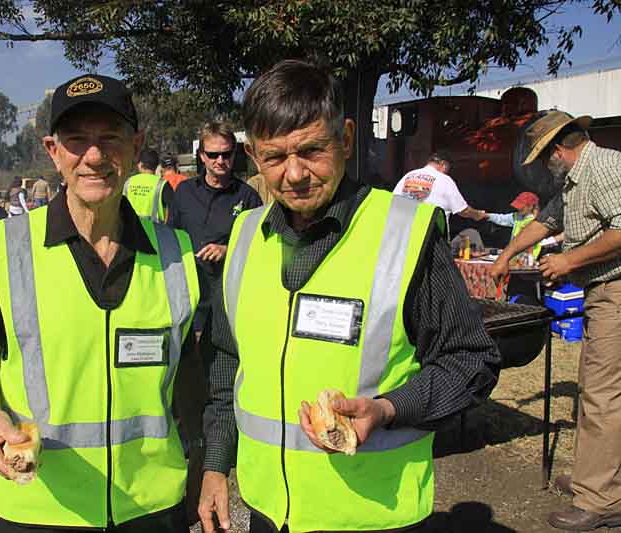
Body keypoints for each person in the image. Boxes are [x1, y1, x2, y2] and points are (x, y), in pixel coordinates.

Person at [198, 60, 500, 533]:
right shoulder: (243, 237)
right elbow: (225, 360)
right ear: (253, 156)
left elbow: (470, 361)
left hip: (372, 515)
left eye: (312, 150)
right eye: (274, 158)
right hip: (268, 513)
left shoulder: (404, 233)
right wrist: (216, 463)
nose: (294, 174)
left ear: (346, 138)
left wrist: (387, 409)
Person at [0, 73, 200, 533]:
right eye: (77, 140)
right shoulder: (9, 249)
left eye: (110, 138)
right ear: (53, 151)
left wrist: (208, 466)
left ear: (137, 145)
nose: (94, 156)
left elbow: (192, 380)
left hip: (152, 507)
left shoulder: (176, 253)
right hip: (39, 507)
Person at [490, 110, 621, 531]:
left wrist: (570, 260)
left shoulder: (605, 167)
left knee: (603, 395)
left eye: (544, 158)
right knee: (596, 390)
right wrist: (507, 255)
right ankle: (594, 478)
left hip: (616, 291)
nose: (545, 167)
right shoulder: (574, 181)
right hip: (601, 292)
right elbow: (546, 221)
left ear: (558, 151)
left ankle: (601, 499)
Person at [168, 121, 262, 335]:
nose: (220, 160)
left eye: (226, 154)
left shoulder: (248, 197)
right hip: (187, 303)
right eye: (212, 155)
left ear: (234, 154)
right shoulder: (184, 191)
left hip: (228, 305)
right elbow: (170, 237)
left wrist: (228, 250)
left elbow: (259, 249)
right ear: (202, 156)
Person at [393, 151, 487, 234]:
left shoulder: (408, 175)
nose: (446, 172)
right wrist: (477, 214)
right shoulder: (444, 179)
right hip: (431, 237)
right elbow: (462, 210)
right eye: (448, 168)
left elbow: (393, 202)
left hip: (403, 233)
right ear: (443, 164)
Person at [485, 191, 560, 259]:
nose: (518, 208)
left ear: (530, 207)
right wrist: (486, 215)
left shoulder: (535, 221)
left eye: (521, 206)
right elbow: (502, 219)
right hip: (514, 256)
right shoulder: (518, 216)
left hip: (527, 259)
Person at [124, 148, 174, 222]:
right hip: (155, 228)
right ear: (157, 166)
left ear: (140, 164)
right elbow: (172, 209)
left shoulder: (128, 182)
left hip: (130, 227)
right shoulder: (162, 184)